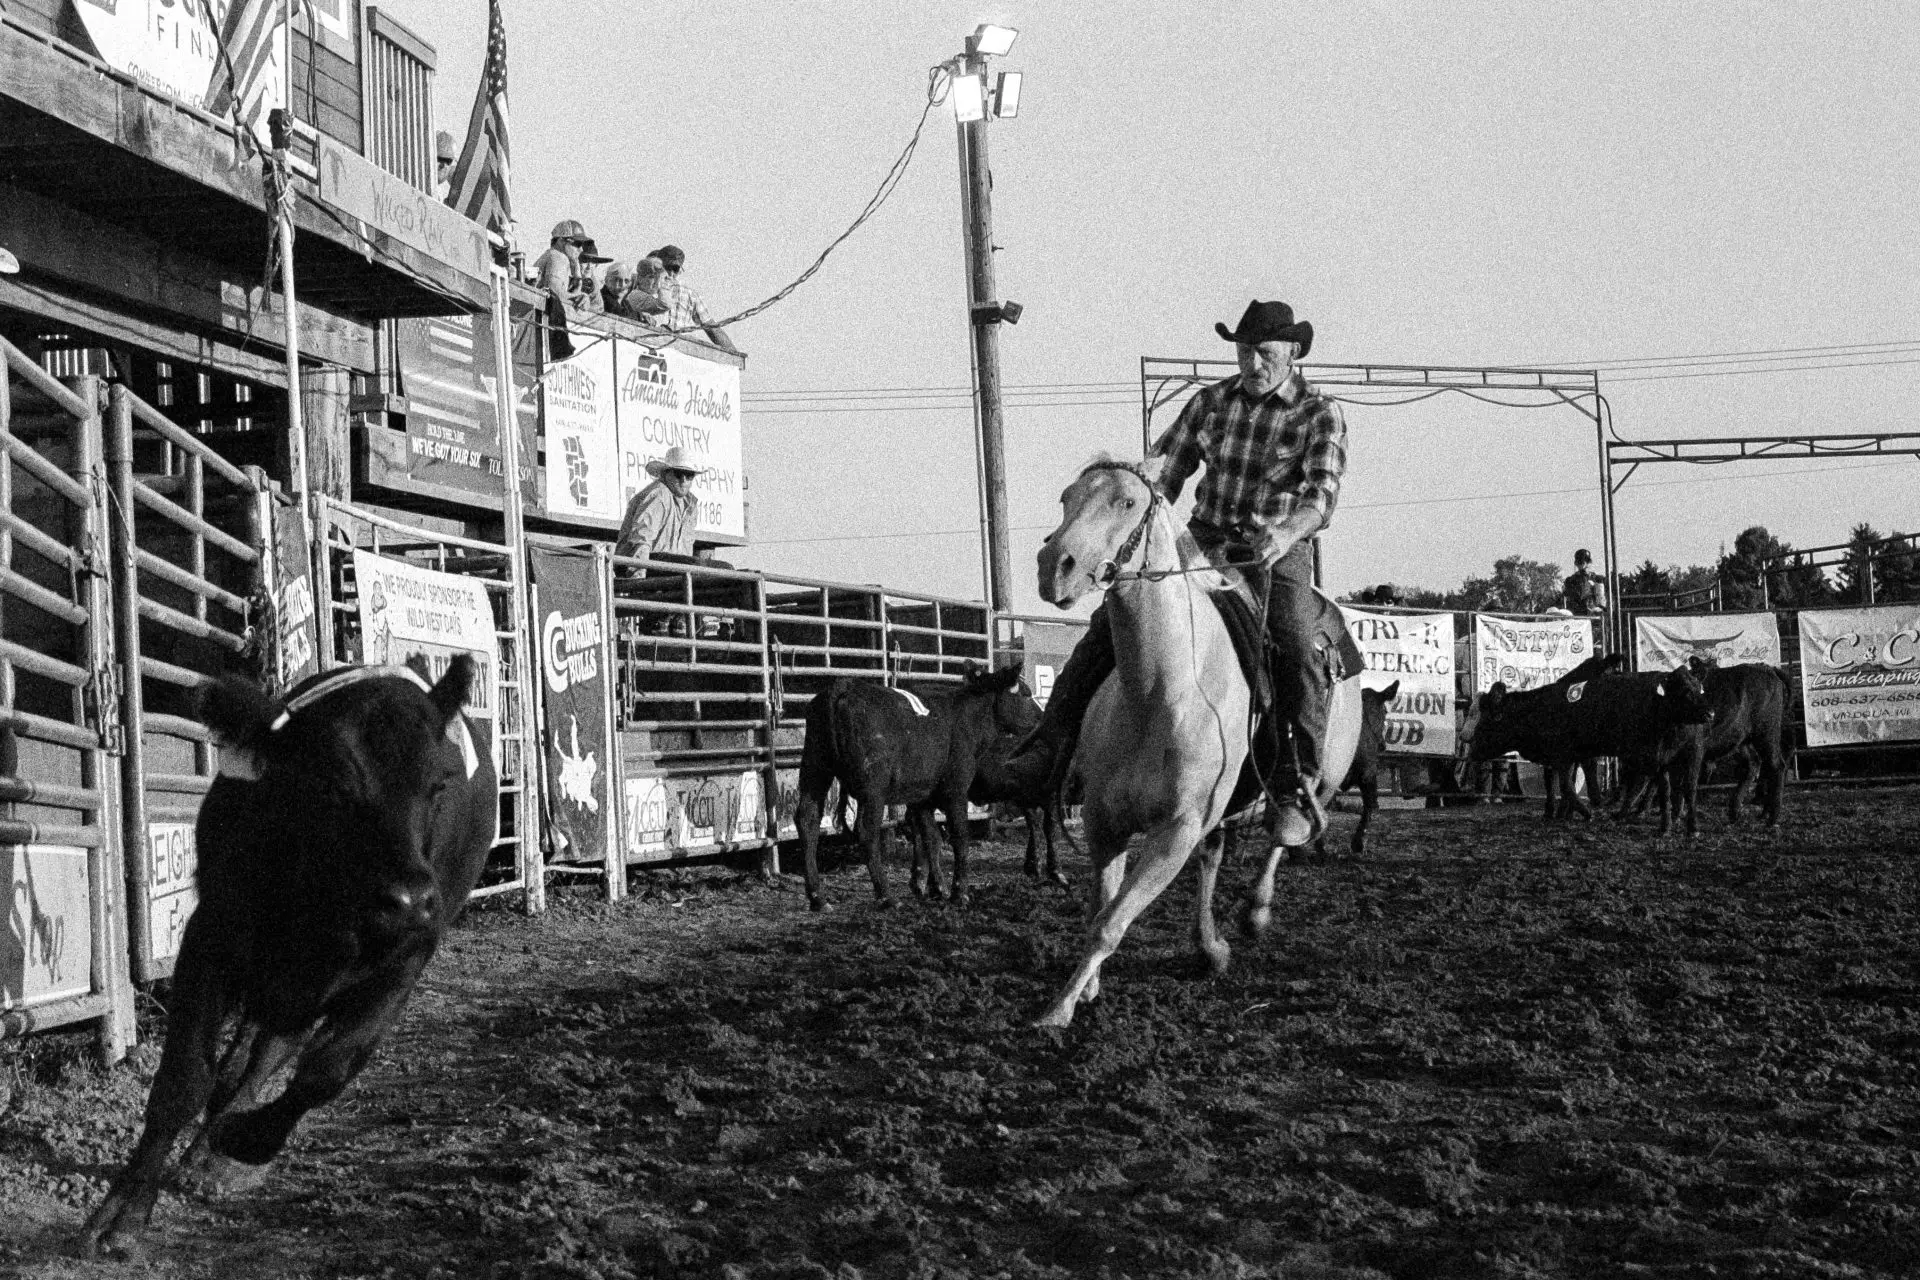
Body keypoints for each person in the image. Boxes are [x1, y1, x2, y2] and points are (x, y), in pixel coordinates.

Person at [1008, 299, 1359, 848]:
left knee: (1295, 640)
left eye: (1264, 353)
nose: (1252, 363)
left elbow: (1321, 495)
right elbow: (1164, 470)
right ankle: (1050, 745)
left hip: (1275, 552)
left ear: (1292, 353)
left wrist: (1287, 533)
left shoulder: (1320, 413)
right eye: (1244, 351)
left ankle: (1296, 781)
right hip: (1203, 540)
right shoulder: (1210, 403)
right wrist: (1128, 510)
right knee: (1112, 621)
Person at [614, 445, 702, 565]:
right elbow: (641, 541)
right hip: (648, 574)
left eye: (689, 475)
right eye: (678, 473)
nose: (684, 480)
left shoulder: (690, 505)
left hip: (669, 575)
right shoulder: (659, 495)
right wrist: (638, 580)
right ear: (666, 473)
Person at [648, 244, 741, 355]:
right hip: (647, 347)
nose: (671, 274)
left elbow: (712, 328)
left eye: (675, 269)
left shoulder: (689, 295)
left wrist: (735, 356)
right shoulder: (646, 288)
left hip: (676, 353)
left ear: (680, 271)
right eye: (668, 268)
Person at [1562, 548, 1607, 615]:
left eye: (1585, 561)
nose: (1582, 564)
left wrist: (1599, 608)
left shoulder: (1597, 579)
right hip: (1575, 615)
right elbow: (1565, 597)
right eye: (1580, 561)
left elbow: (1601, 601)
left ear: (1589, 563)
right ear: (1576, 563)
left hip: (1591, 615)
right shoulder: (1570, 580)